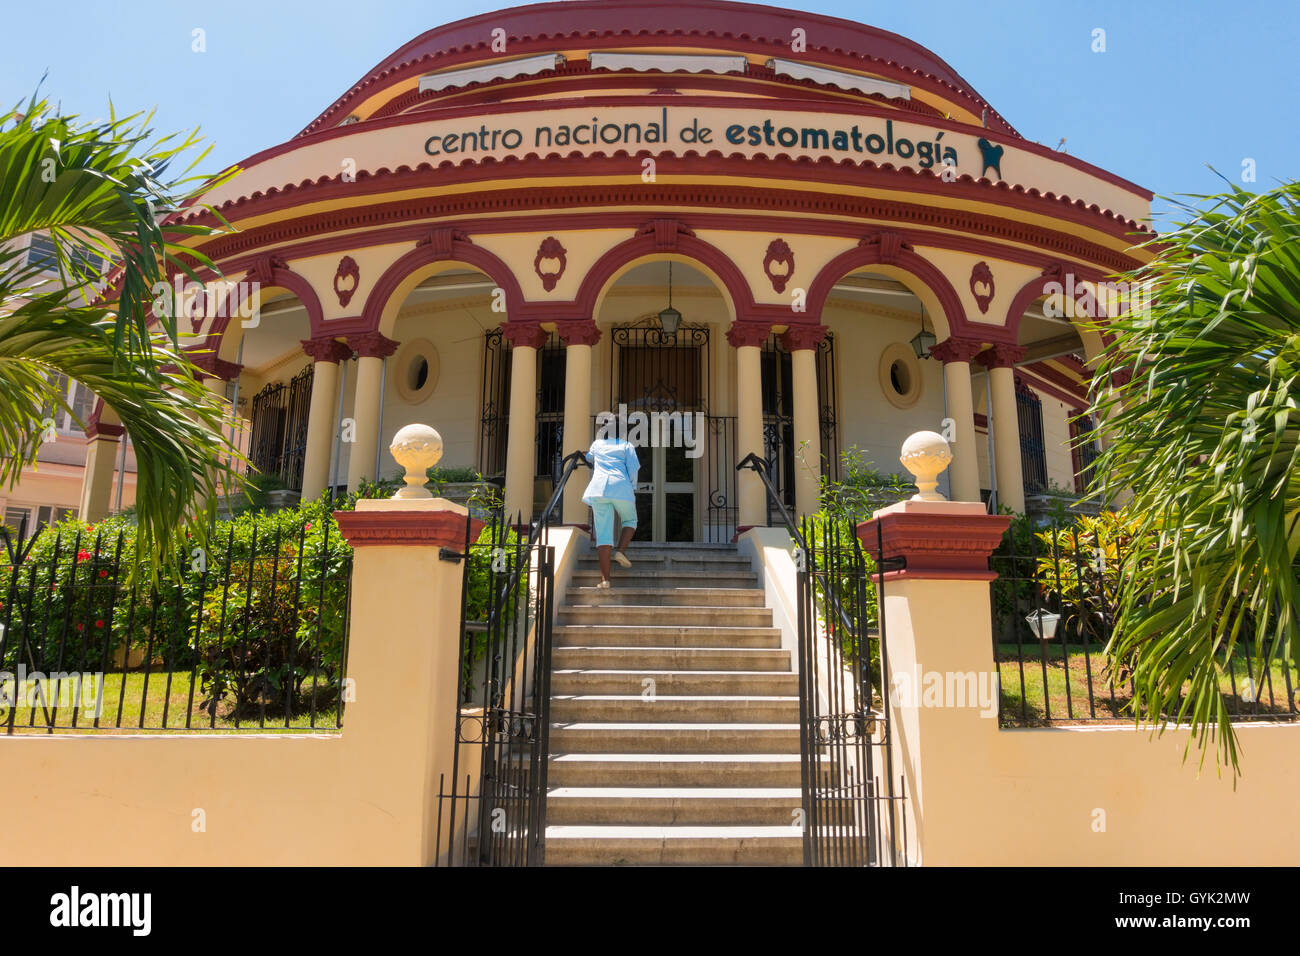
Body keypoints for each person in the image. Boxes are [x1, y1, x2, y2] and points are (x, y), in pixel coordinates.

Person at [582, 434, 640, 588]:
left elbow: (589, 458)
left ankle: (605, 580)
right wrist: (632, 486)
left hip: (599, 489)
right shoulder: (627, 445)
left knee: (604, 535)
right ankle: (620, 550)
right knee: (630, 521)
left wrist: (585, 455)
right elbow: (634, 467)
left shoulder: (597, 444)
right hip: (621, 486)